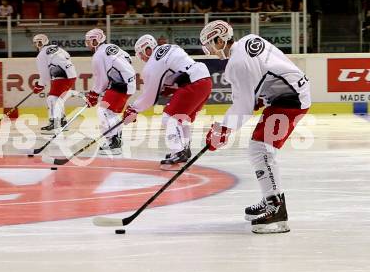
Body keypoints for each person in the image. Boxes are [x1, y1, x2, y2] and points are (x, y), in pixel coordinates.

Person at [199, 20, 311, 234]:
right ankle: (271, 198)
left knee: (261, 150)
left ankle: (276, 208)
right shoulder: (249, 40)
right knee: (261, 149)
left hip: (290, 100)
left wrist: (223, 129)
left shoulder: (236, 64)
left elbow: (243, 107)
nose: (212, 52)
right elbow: (271, 71)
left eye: (211, 46)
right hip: (291, 94)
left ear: (220, 40)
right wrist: (258, 97)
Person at [123, 35, 212, 171]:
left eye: (141, 55)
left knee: (169, 118)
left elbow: (149, 98)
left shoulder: (152, 65)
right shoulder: (168, 47)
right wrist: (166, 87)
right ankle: (184, 149)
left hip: (193, 82)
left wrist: (133, 109)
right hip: (205, 79)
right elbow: (177, 71)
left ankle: (178, 151)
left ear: (147, 50)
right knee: (183, 119)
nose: (142, 59)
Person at [84, 28, 136, 155]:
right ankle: (116, 137)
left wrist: (94, 94)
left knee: (104, 111)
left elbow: (101, 80)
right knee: (109, 112)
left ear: (96, 41)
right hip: (125, 82)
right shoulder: (111, 46)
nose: (87, 45)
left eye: (89, 42)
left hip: (121, 84)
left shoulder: (98, 56)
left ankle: (114, 141)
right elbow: (129, 58)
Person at [31, 34, 77, 133]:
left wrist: (39, 86)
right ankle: (62, 122)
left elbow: (44, 76)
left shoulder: (41, 55)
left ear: (40, 43)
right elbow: (68, 56)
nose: (35, 45)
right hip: (70, 74)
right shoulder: (55, 47)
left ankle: (55, 123)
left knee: (52, 98)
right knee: (56, 99)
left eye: (36, 43)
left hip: (63, 76)